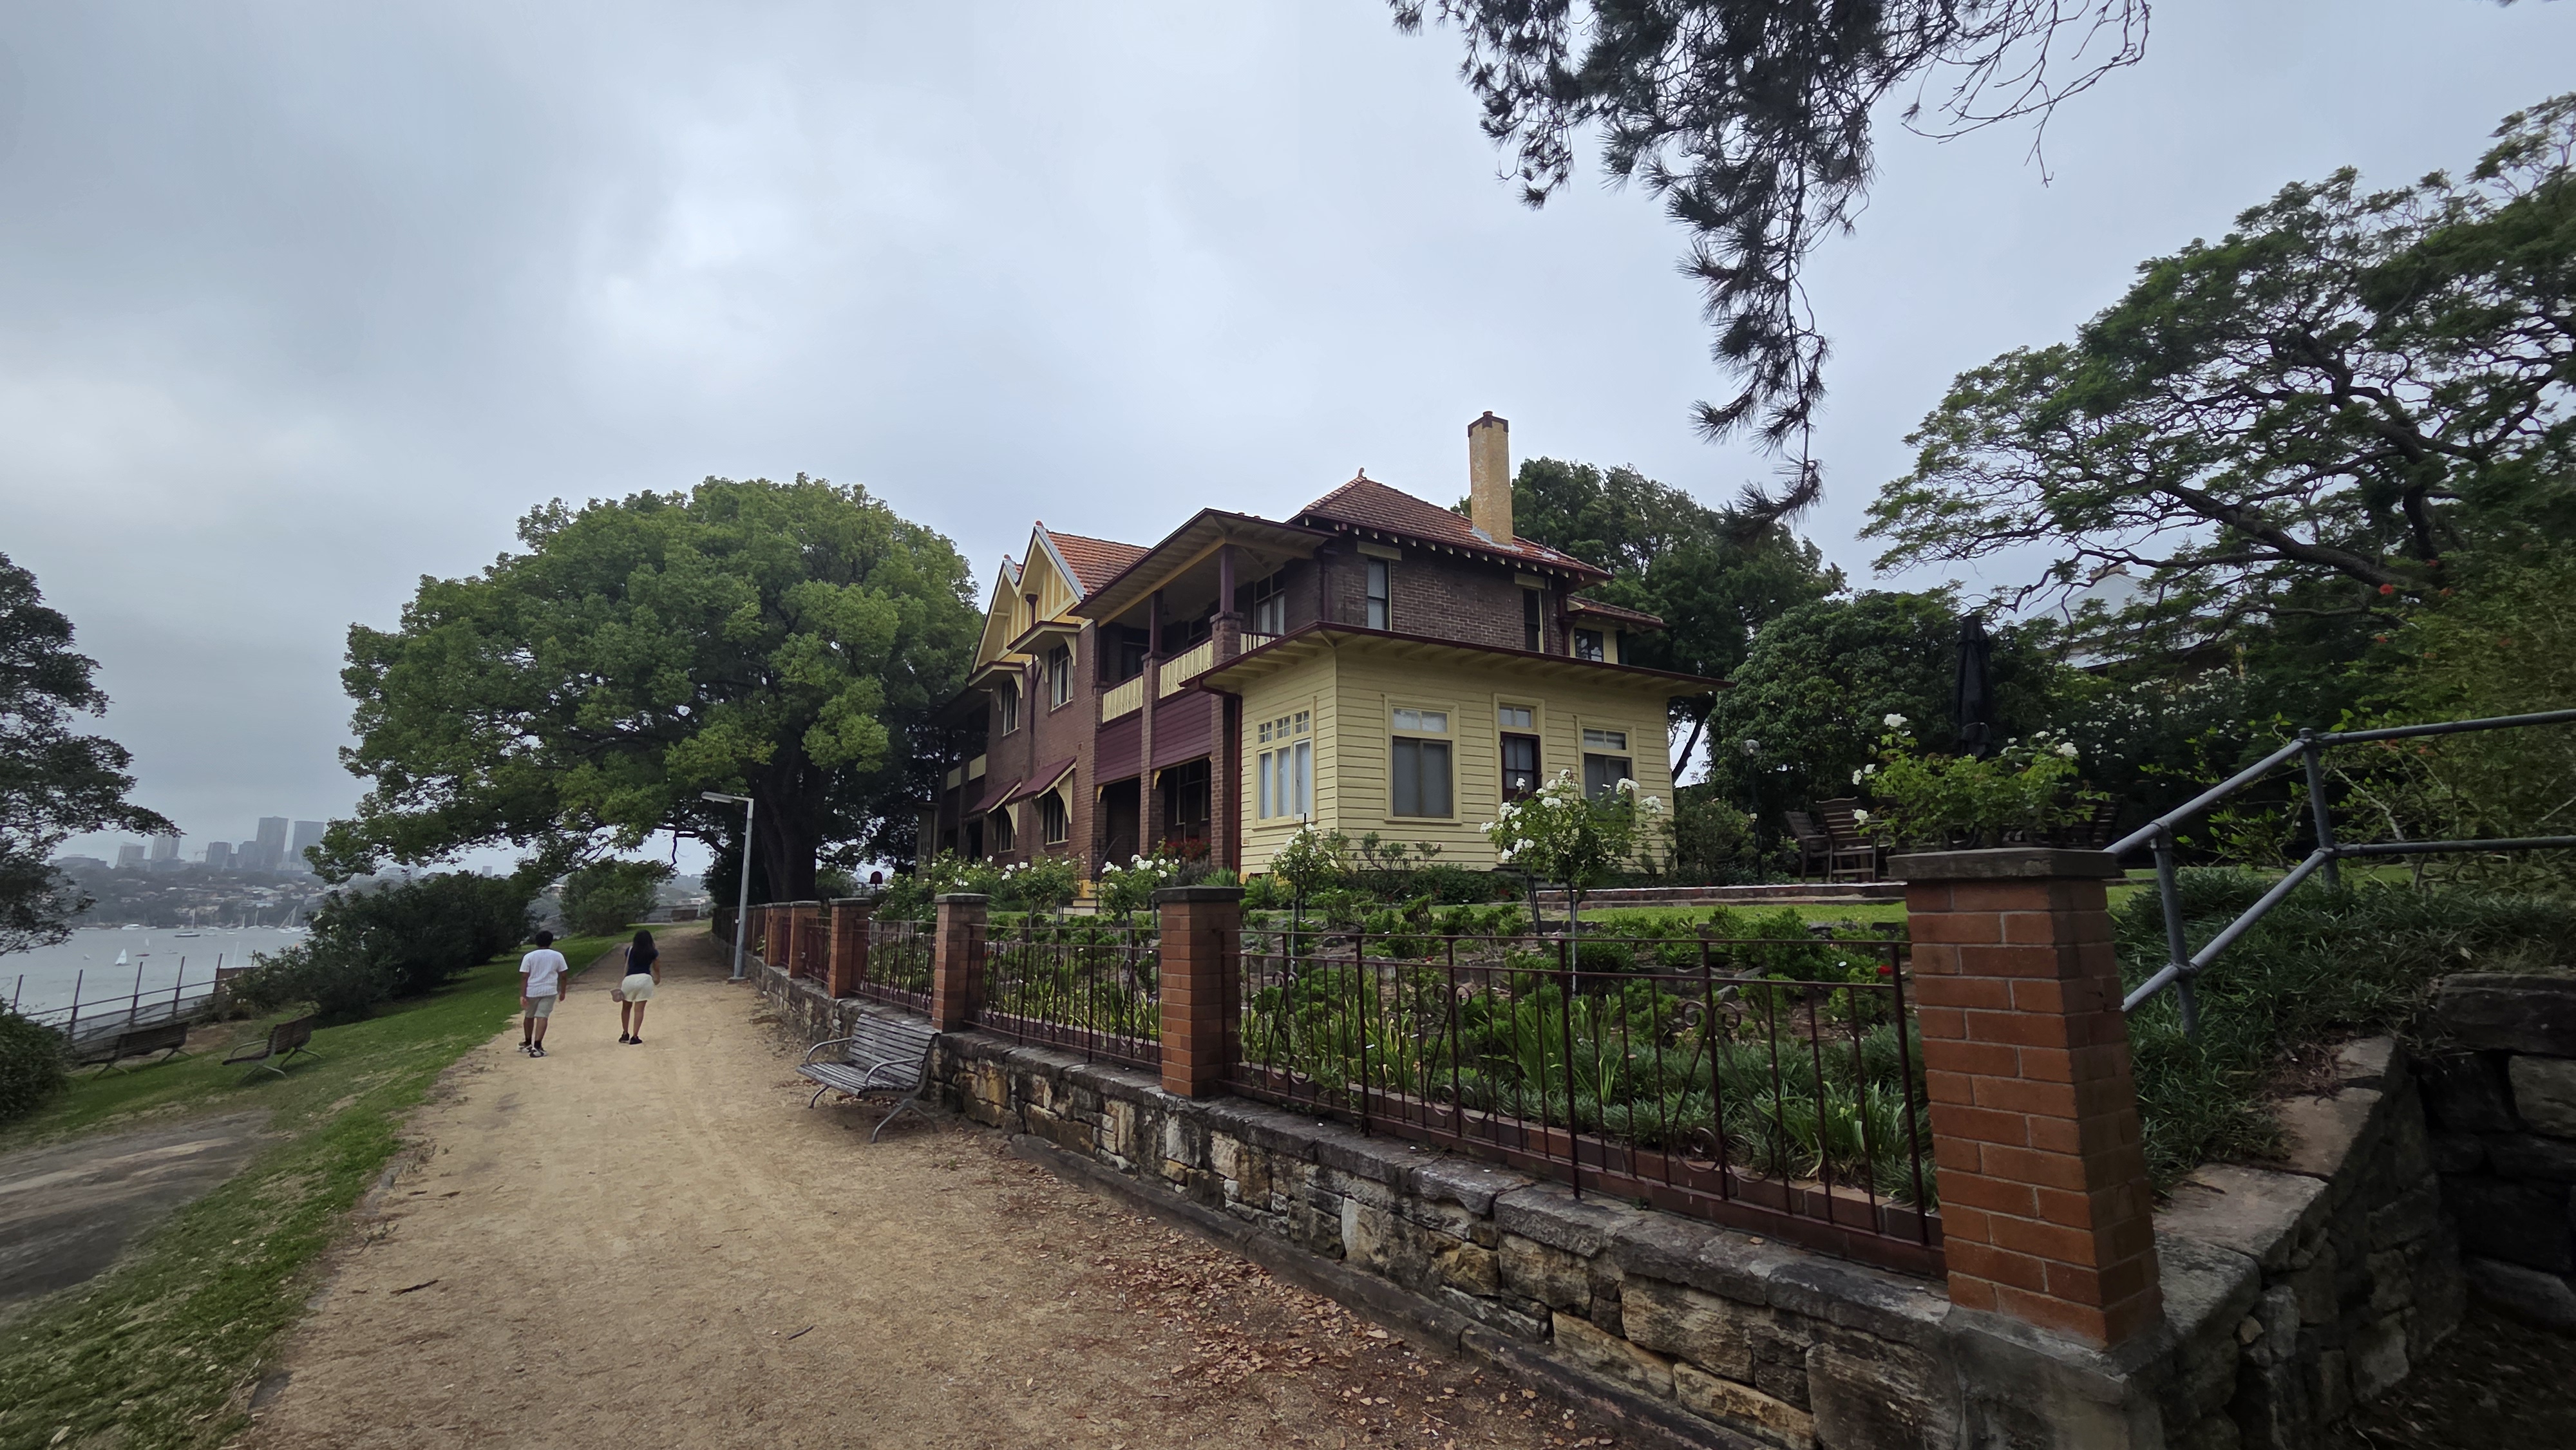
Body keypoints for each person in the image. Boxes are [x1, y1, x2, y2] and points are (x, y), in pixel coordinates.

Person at [519, 930, 570, 1057]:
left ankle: (528, 1042)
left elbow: (525, 976)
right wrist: (563, 991)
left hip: (532, 990)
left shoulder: (529, 957)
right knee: (542, 1016)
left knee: (529, 1016)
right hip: (549, 990)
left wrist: (523, 994)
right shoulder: (557, 956)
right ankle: (537, 1046)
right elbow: (563, 975)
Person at [618, 928, 659, 1044]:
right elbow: (656, 967)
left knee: (626, 1008)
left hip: (629, 979)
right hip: (645, 979)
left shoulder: (629, 951)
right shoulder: (653, 952)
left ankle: (625, 1033)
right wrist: (658, 978)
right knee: (639, 1009)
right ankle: (635, 1036)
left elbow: (626, 964)